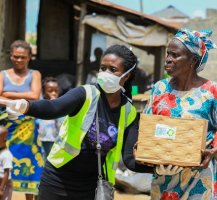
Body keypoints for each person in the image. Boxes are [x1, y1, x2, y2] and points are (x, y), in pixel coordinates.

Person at [2, 44, 153, 200]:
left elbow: (129, 159)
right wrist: (26, 106)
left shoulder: (129, 112)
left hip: (92, 186)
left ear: (126, 75)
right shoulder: (85, 94)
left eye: (113, 70)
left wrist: (157, 169)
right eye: (103, 68)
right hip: (58, 179)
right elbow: (54, 108)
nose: (105, 73)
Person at [143, 28, 217, 199]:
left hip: (200, 179)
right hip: (164, 179)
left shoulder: (211, 91)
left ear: (193, 60)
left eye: (175, 55)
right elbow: (146, 128)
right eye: (168, 54)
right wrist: (147, 152)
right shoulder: (159, 89)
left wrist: (212, 152)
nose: (168, 59)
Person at [0, 40, 42, 200]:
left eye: (23, 57)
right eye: (16, 56)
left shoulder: (35, 74)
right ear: (11, 56)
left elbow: (35, 96)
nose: (19, 60)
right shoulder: (2, 75)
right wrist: (21, 99)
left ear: (29, 57)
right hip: (5, 128)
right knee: (3, 163)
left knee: (30, 164)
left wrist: (7, 95)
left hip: (27, 130)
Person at [37, 77, 64, 159]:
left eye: (56, 91)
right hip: (41, 139)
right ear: (44, 92)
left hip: (57, 140)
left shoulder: (63, 105)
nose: (54, 93)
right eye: (50, 91)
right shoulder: (40, 105)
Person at [0, 126, 13, 200]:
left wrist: (1, 189)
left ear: (4, 140)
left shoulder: (6, 154)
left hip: (4, 184)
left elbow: (6, 172)